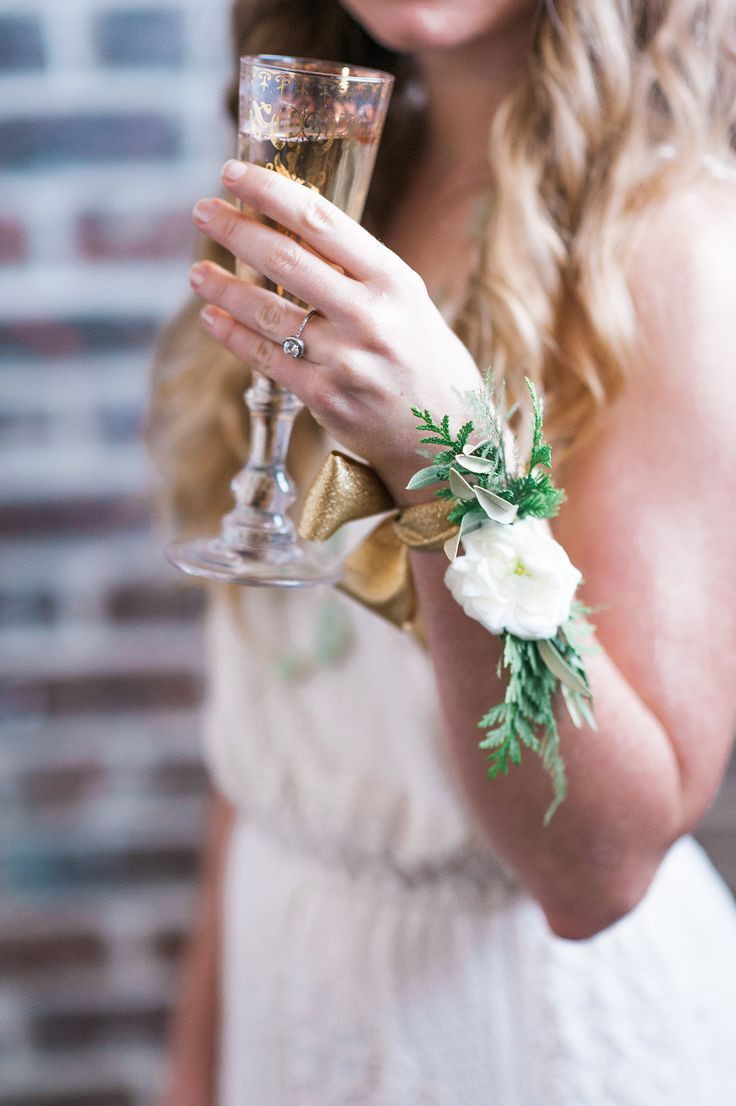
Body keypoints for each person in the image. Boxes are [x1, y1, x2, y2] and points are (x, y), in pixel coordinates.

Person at [149, 1, 736, 1103]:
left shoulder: (679, 248)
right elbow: (281, 737)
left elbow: (598, 872)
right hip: (288, 1010)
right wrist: (196, 1065)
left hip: (522, 1042)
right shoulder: (344, 178)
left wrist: (449, 470)